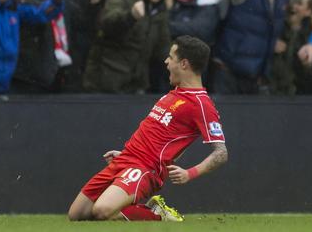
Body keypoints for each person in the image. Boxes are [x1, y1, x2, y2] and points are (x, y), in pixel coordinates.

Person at [68, 35, 228, 222]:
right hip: (127, 158)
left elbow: (221, 153)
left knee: (101, 211)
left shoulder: (201, 104)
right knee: (77, 214)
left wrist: (189, 173)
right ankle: (145, 208)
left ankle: (157, 214)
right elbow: (167, 140)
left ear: (184, 64)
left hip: (146, 168)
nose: (166, 61)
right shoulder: (173, 94)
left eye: (171, 57)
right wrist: (126, 153)